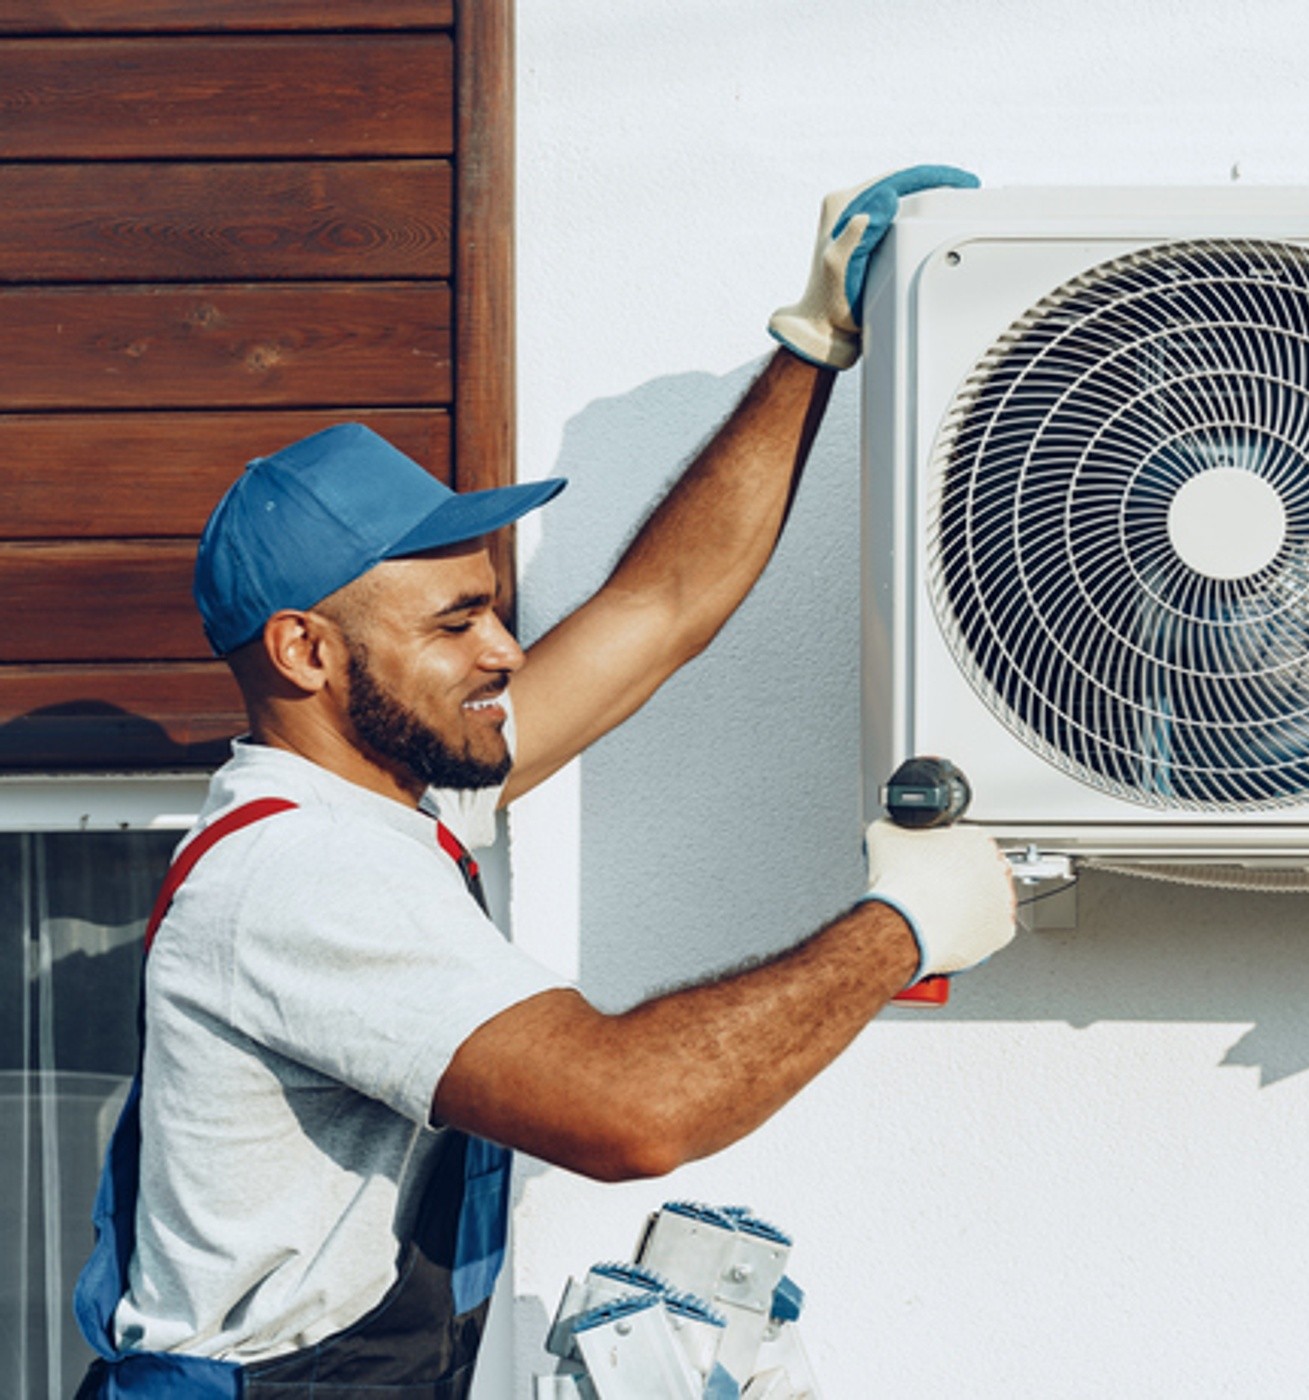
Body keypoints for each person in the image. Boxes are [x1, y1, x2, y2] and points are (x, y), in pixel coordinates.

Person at [72, 167, 1011, 1398]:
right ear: (306, 650)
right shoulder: (309, 874)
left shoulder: (387, 789)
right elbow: (633, 1110)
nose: (506, 653)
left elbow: (659, 606)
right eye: (456, 623)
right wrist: (901, 928)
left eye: (497, 614)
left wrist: (809, 346)